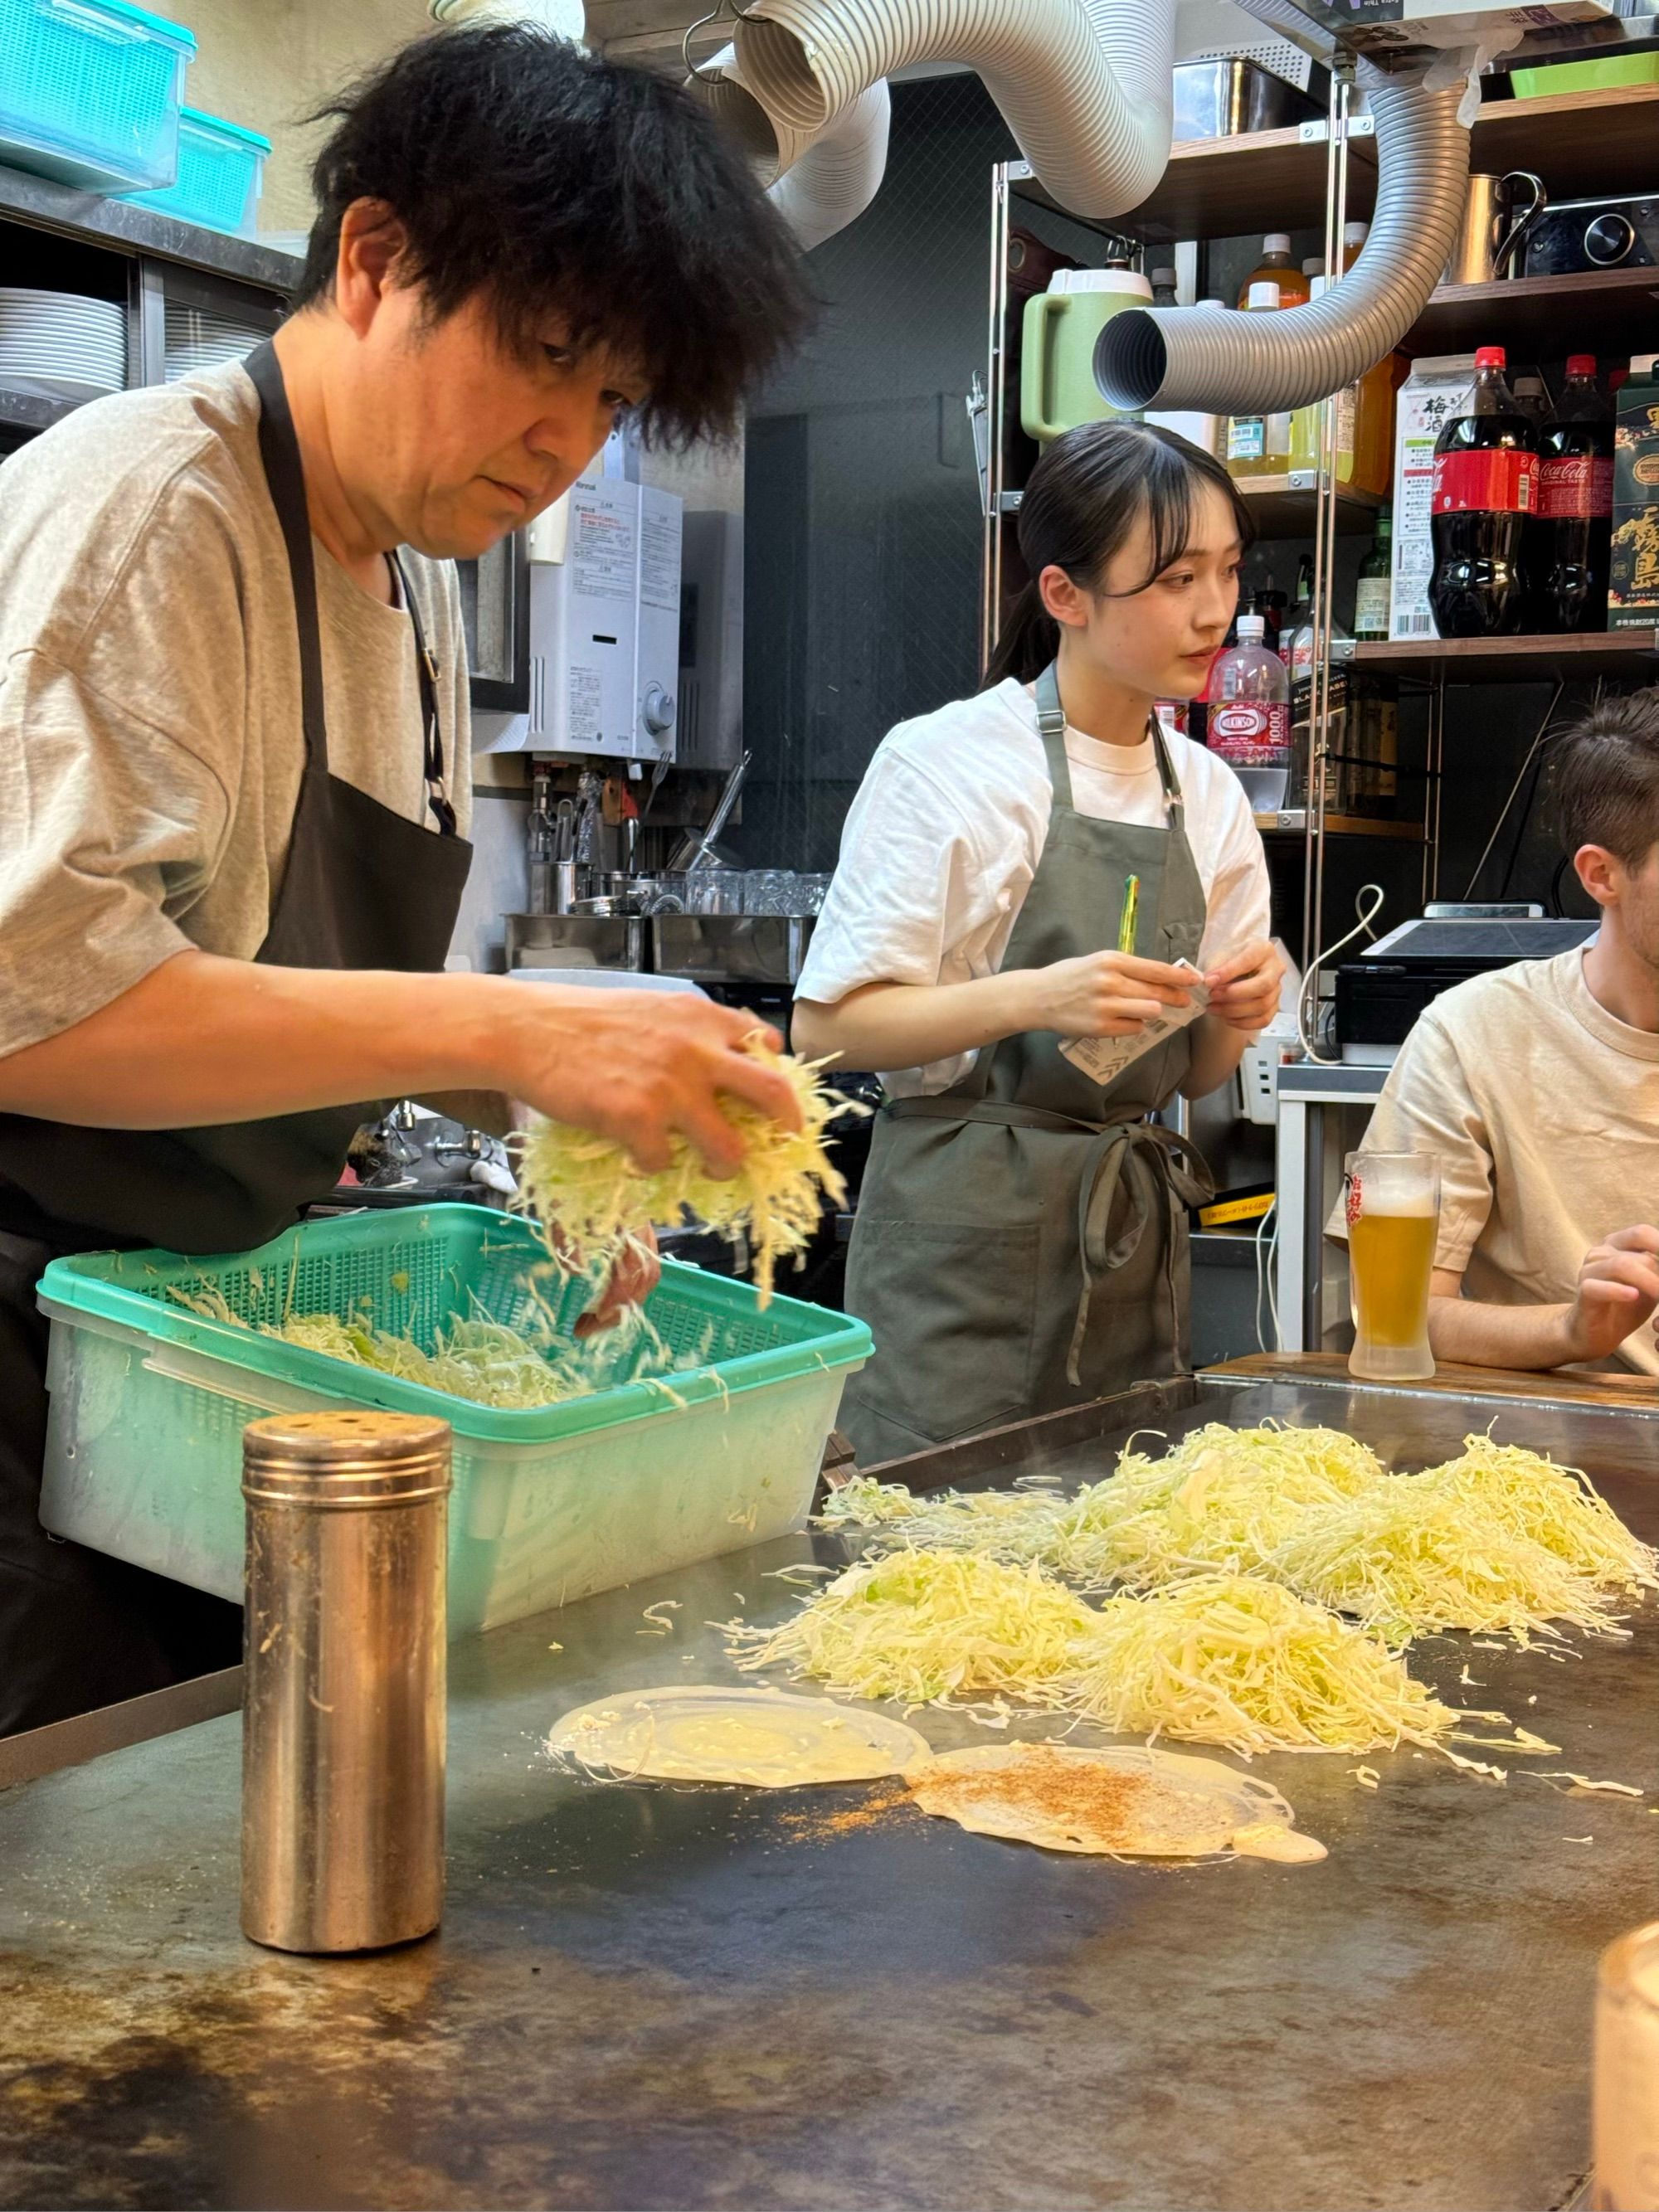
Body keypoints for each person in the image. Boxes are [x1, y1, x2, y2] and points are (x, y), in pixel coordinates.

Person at [0, 25, 812, 1734]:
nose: (566, 445)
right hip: (27, 1375)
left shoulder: (415, 573)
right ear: (373, 260)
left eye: (608, 403)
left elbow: (294, 1007)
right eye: (545, 355)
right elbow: (34, 1008)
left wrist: (565, 1142)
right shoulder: (159, 507)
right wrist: (519, 1033)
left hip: (188, 1356)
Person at [793, 421, 1283, 1465]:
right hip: (958, 1256)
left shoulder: (1207, 795)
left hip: (1126, 1255)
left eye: (1228, 572)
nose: (1214, 612)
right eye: (1174, 579)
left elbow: (1190, 1072)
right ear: (1063, 595)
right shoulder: (947, 765)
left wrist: (1234, 1016)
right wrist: (1033, 997)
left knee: (1114, 1559)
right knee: (937, 1569)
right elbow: (825, 1029)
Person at [1338, 691, 1659, 1378]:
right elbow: (1393, 1310)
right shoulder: (1475, 1033)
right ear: (1602, 874)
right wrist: (1571, 1328)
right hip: (1565, 1449)